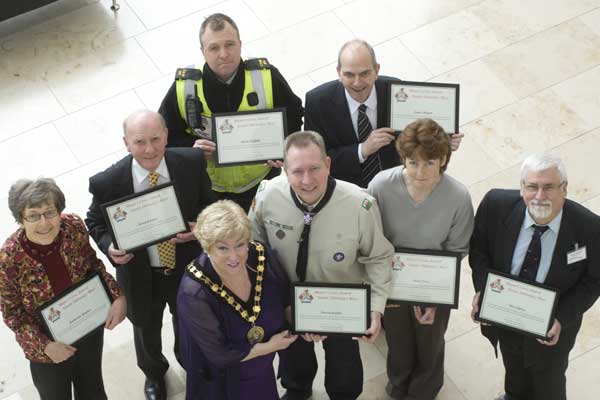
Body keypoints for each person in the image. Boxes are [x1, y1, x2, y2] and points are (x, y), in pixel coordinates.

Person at [249, 131, 394, 400]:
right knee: (293, 360)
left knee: (344, 368)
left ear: (328, 164)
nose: (307, 180)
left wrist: (375, 308)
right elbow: (254, 250)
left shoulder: (359, 205)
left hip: (340, 305)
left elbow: (378, 257)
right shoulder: (268, 196)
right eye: (297, 171)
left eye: (315, 168)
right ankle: (298, 388)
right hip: (288, 303)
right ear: (284, 169)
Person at [85, 110, 216, 400]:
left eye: (156, 139)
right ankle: (154, 374)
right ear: (126, 143)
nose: (149, 149)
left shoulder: (191, 162)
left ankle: (189, 363)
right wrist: (109, 246)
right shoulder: (107, 182)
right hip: (141, 274)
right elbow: (94, 221)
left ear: (166, 135)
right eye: (140, 141)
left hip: (186, 268)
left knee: (190, 322)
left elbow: (211, 205)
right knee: (145, 329)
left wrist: (200, 228)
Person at [469, 153, 600, 400]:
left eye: (549, 187)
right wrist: (483, 290)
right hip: (505, 315)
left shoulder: (590, 228)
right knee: (513, 368)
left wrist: (561, 319)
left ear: (565, 189)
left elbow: (594, 280)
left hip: (552, 328)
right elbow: (479, 250)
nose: (540, 196)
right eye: (532, 187)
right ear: (521, 189)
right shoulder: (495, 204)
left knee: (549, 381)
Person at [367, 118, 474, 400]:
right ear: (403, 159)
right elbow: (371, 235)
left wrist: (434, 300)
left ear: (443, 159)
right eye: (412, 162)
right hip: (393, 280)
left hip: (435, 281)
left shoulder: (458, 196)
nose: (420, 171)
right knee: (398, 340)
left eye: (429, 162)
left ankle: (424, 390)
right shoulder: (380, 185)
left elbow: (457, 248)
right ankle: (398, 384)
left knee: (430, 340)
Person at [158, 12, 303, 212]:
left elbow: (295, 116)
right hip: (209, 188)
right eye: (214, 48)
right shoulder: (186, 86)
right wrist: (191, 148)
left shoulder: (266, 75)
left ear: (240, 44)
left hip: (261, 183)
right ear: (203, 51)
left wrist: (284, 148)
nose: (223, 54)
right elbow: (164, 136)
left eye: (230, 44)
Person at [0, 178, 126, 400]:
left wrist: (117, 296)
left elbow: (93, 266)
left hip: (88, 324)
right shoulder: (8, 258)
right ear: (21, 219)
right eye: (33, 215)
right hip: (47, 343)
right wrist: (45, 346)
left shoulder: (74, 227)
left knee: (93, 389)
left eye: (50, 212)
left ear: (59, 211)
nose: (44, 223)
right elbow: (13, 316)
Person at [177, 200, 297, 400]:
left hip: (262, 367)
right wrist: (270, 346)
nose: (234, 256)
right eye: (223, 248)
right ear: (207, 247)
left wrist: (307, 325)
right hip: (225, 379)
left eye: (240, 244)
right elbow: (219, 355)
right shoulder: (194, 293)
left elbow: (285, 296)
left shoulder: (260, 254)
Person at [304, 39, 463, 188]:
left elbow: (417, 138)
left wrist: (443, 144)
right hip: (346, 187)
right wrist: (362, 150)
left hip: (395, 182)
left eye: (365, 73)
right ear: (339, 72)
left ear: (377, 70)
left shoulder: (398, 91)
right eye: (349, 74)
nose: (357, 82)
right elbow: (315, 159)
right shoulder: (317, 102)